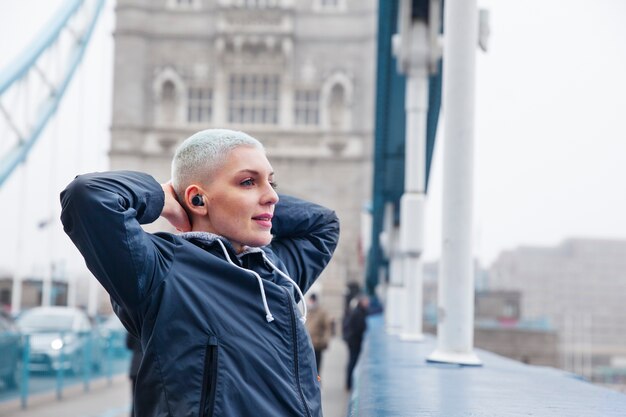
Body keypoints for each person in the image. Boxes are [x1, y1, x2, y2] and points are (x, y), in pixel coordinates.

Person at [60, 129, 339, 417]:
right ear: (197, 200)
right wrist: (166, 197)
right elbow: (87, 196)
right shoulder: (161, 270)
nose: (273, 197)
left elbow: (323, 224)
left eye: (271, 182)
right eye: (248, 182)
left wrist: (246, 208)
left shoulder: (276, 270)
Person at [343, 294, 369, 391]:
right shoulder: (358, 313)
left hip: (352, 341)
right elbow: (358, 329)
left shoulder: (358, 311)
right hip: (355, 342)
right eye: (366, 301)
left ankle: (348, 383)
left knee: (351, 362)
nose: (368, 303)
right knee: (352, 362)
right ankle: (349, 384)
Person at [305, 293, 333, 374]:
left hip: (317, 344)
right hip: (308, 344)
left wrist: (325, 341)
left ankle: (318, 383)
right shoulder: (308, 311)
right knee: (309, 367)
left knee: (317, 368)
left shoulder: (321, 312)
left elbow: (327, 328)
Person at [125, 333, 142, 417]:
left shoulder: (133, 323)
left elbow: (128, 344)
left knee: (135, 400)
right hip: (149, 367)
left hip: (135, 367)